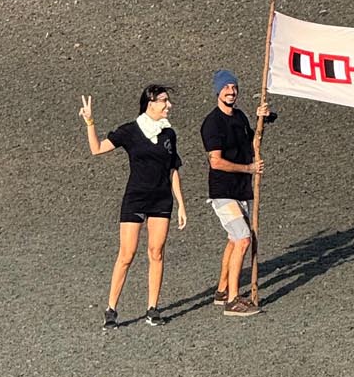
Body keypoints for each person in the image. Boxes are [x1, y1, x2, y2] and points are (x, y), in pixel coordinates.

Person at [81, 84, 187, 327]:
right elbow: (96, 149)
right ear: (150, 103)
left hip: (161, 200)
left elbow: (173, 170)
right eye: (164, 101)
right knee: (127, 254)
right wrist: (90, 121)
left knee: (156, 253)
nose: (168, 105)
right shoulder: (131, 130)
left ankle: (153, 308)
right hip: (136, 199)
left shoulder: (169, 134)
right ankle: (111, 309)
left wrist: (181, 204)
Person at [200, 70, 273, 317]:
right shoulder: (212, 123)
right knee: (242, 239)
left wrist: (264, 118)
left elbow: (253, 142)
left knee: (234, 239)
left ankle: (222, 291)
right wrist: (249, 168)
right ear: (218, 91)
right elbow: (216, 162)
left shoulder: (240, 117)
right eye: (226, 88)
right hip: (223, 191)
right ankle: (233, 300)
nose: (231, 92)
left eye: (234, 87)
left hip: (242, 189)